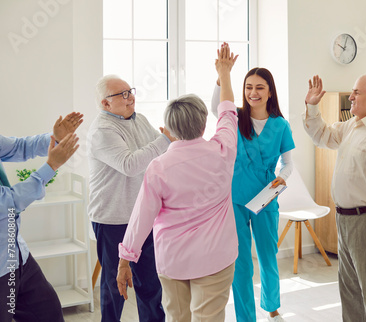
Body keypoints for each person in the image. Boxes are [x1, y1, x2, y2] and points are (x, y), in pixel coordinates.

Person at [116, 42, 238, 322]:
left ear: (169, 129)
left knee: (176, 318)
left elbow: (140, 218)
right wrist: (224, 74)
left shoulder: (159, 167)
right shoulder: (223, 151)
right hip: (215, 258)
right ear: (204, 123)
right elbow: (228, 112)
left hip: (173, 260)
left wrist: (125, 259)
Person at [303, 74, 366, 322]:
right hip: (345, 221)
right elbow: (321, 136)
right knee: (350, 294)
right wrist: (312, 106)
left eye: (356, 93)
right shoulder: (353, 125)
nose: (350, 97)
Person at [87, 75, 174, 322]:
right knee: (115, 287)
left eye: (130, 91)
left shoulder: (140, 119)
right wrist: (165, 139)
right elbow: (130, 164)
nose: (130, 97)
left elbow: (158, 156)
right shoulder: (102, 131)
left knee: (150, 285)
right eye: (122, 94)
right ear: (105, 104)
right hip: (113, 218)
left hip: (143, 217)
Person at [211, 67, 295, 321]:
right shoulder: (235, 117)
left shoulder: (280, 125)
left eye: (259, 87)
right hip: (235, 196)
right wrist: (221, 77)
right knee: (241, 263)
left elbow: (288, 164)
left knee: (268, 256)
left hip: (266, 196)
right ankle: (245, 316)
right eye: (248, 87)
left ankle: (272, 305)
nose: (253, 93)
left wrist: (283, 178)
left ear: (270, 91)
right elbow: (216, 105)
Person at [0, 112, 82, 321]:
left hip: (18, 258)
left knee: (48, 313)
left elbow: (19, 147)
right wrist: (51, 167)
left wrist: (54, 138)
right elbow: (10, 202)